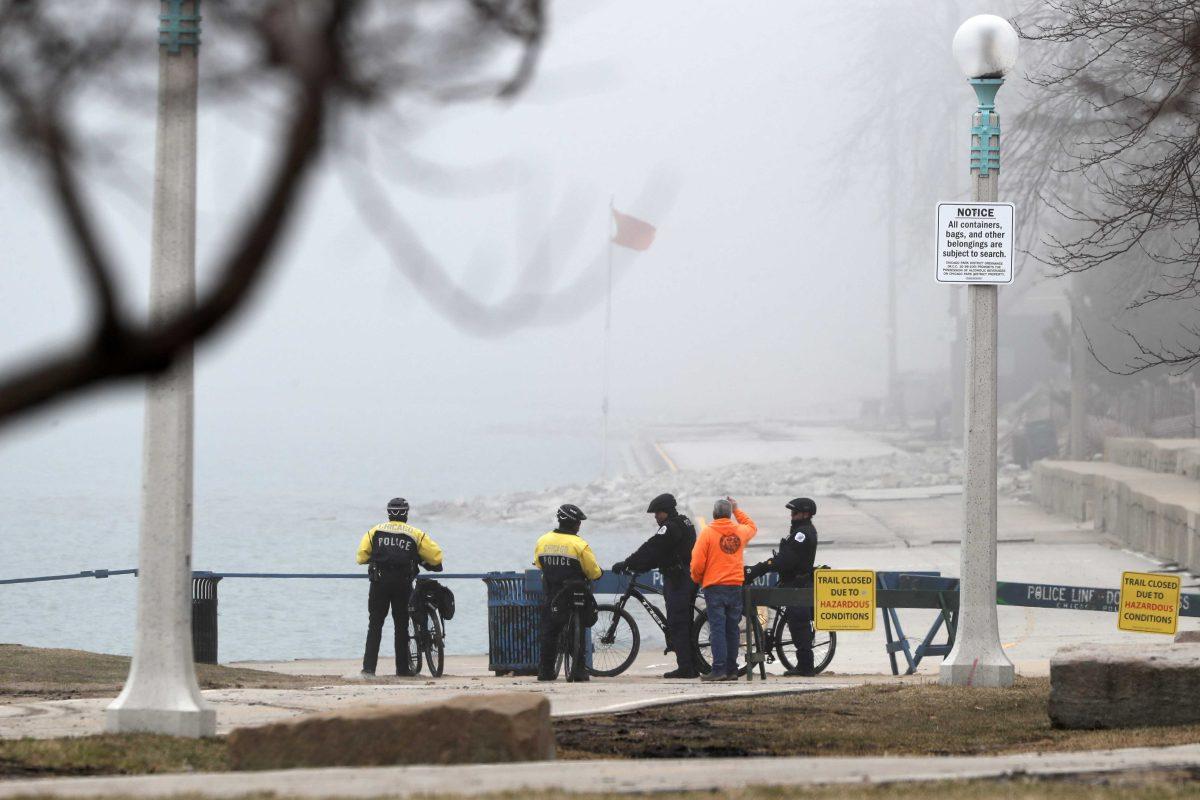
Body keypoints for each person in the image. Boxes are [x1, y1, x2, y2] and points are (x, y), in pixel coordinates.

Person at [612, 493, 698, 678]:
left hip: (678, 579)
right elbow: (663, 552)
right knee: (686, 621)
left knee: (678, 622)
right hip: (688, 575)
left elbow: (652, 547)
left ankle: (686, 668)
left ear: (665, 511)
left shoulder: (670, 528)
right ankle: (693, 663)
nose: (655, 517)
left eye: (657, 513)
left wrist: (627, 563)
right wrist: (642, 565)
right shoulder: (685, 522)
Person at [356, 497, 444, 678]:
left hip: (379, 583)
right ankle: (402, 669)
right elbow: (436, 557)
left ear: (389, 513)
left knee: (375, 624)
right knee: (402, 625)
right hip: (403, 583)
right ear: (406, 513)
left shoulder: (375, 531)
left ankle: (369, 669)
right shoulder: (415, 534)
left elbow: (361, 557)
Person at [747, 497, 819, 676]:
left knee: (798, 624)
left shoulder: (802, 534)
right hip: (792, 582)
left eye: (794, 513)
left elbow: (787, 560)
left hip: (798, 585)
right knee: (792, 619)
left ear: (805, 514)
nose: (791, 516)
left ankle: (805, 666)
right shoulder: (799, 531)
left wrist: (763, 567)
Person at [533, 503, 603, 682]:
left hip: (552, 593)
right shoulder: (579, 545)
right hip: (574, 596)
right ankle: (578, 671)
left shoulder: (543, 541)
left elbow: (539, 564)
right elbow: (593, 572)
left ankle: (545, 671)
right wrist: (599, 573)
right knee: (575, 634)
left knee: (549, 632)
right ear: (576, 524)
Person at [690, 496, 757, 681]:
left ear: (714, 514)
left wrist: (698, 579)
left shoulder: (707, 533)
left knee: (718, 629)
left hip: (714, 587)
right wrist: (737, 510)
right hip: (735, 586)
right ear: (729, 514)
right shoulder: (740, 531)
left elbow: (697, 562)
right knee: (732, 629)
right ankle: (732, 670)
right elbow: (752, 526)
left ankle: (719, 669)